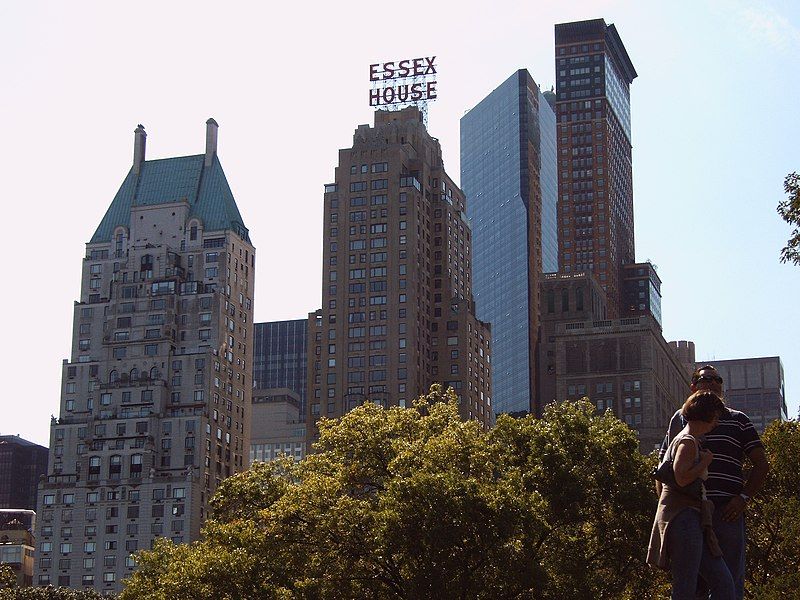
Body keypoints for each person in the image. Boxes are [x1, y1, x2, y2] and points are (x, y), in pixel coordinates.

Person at [659, 365, 769, 599]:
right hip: (689, 512)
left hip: (727, 511)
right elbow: (663, 471)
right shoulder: (680, 420)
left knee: (728, 580)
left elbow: (762, 464)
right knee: (691, 583)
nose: (711, 382)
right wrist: (668, 512)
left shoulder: (739, 420)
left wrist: (742, 499)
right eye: (704, 378)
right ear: (693, 386)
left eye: (716, 379)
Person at [648, 391, 735, 599]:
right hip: (684, 517)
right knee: (686, 586)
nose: (716, 422)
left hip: (692, 519)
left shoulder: (687, 440)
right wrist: (705, 462)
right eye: (715, 416)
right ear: (706, 415)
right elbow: (681, 478)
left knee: (722, 583)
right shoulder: (687, 442)